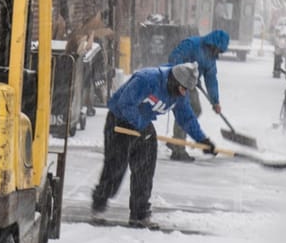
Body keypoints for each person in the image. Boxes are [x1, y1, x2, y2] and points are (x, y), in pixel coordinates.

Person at [91, 62, 217, 228]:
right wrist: (140, 124)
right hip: (119, 122)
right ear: (174, 81)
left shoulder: (179, 94)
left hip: (143, 124)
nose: (184, 93)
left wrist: (202, 140)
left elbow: (186, 118)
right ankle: (99, 203)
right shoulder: (147, 79)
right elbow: (125, 104)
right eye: (183, 89)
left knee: (145, 168)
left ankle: (139, 214)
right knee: (115, 167)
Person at [166, 30, 230, 162]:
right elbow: (174, 58)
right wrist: (187, 72)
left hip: (190, 84)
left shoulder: (211, 58)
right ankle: (178, 149)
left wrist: (215, 101)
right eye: (218, 50)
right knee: (185, 111)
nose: (218, 53)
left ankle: (177, 140)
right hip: (176, 80)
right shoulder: (192, 44)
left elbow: (211, 80)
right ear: (213, 44)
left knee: (195, 109)